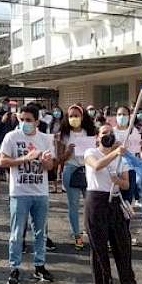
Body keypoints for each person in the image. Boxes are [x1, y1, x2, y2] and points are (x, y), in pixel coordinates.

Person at [84, 124, 142, 284]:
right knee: (99, 249)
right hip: (96, 201)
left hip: (115, 201)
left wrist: (117, 179)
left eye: (111, 133)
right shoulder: (91, 152)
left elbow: (126, 184)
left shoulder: (122, 158)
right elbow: (96, 166)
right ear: (97, 137)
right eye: (104, 133)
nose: (108, 136)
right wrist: (115, 153)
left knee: (123, 245)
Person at [0, 105, 56, 284]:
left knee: (40, 233)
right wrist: (25, 158)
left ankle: (39, 266)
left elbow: (50, 166)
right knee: (16, 233)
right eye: (22, 119)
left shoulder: (45, 139)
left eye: (29, 120)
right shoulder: (12, 137)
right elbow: (2, 161)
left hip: (40, 193)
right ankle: (14, 267)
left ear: (37, 122)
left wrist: (46, 162)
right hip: (19, 193)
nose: (25, 123)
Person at [58, 105, 97, 249]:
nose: (74, 119)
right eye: (71, 116)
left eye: (77, 115)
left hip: (88, 171)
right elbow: (59, 159)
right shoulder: (64, 135)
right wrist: (68, 152)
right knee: (73, 205)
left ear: (82, 117)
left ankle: (93, 234)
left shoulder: (90, 133)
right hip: (71, 171)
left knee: (92, 205)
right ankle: (77, 236)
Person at [0, 99, 19, 202]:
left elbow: (18, 130)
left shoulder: (14, 118)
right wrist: (2, 121)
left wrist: (16, 120)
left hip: (12, 149)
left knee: (11, 172)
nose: (6, 106)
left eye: (8, 104)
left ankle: (12, 193)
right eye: (4, 104)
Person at [113, 106, 141, 206]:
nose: (122, 117)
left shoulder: (134, 131)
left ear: (129, 117)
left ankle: (126, 217)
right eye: (119, 114)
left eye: (124, 114)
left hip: (130, 167)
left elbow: (137, 149)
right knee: (115, 195)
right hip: (115, 167)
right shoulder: (112, 132)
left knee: (128, 196)